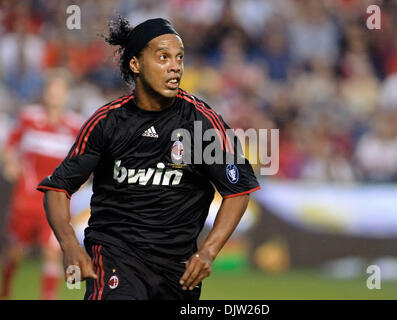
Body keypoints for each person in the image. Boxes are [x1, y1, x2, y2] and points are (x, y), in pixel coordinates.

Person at [37, 17, 260, 300]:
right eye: (163, 57)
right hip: (116, 258)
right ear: (136, 65)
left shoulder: (202, 123)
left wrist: (208, 251)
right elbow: (58, 188)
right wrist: (69, 244)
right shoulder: (107, 122)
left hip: (177, 271)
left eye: (179, 57)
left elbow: (239, 189)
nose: (175, 66)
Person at [1, 70, 82, 299]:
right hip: (26, 198)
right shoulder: (29, 118)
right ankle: (5, 291)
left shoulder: (74, 126)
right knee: (15, 253)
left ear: (66, 94)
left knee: (51, 251)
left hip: (56, 201)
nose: (54, 94)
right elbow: (9, 148)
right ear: (45, 92)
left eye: (59, 90)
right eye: (51, 89)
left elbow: (81, 162)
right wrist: (10, 163)